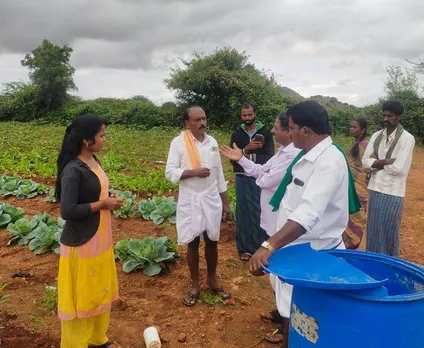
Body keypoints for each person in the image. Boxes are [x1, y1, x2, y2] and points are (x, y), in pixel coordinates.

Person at [249, 101, 360, 348]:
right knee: (292, 311)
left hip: (313, 255)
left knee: (304, 317)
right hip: (297, 251)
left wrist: (269, 245)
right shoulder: (309, 155)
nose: (289, 134)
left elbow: (308, 213)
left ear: (306, 130)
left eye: (291, 128)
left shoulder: (328, 162)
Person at [221, 111, 300, 343]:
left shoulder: (292, 155)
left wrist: (258, 172)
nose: (272, 131)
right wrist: (241, 158)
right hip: (271, 221)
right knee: (277, 276)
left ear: (289, 131)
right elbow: (260, 171)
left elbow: (266, 179)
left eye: (276, 128)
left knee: (284, 276)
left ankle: (289, 327)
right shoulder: (282, 153)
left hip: (280, 224)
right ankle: (282, 314)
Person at [56, 115, 124, 348]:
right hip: (82, 243)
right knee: (83, 297)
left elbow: (95, 192)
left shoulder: (93, 160)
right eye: (102, 135)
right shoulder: (73, 170)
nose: (105, 139)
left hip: (100, 238)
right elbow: (68, 210)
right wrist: (103, 204)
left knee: (98, 291)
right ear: (87, 140)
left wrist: (108, 198)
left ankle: (97, 339)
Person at [165, 106, 231, 307]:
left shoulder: (212, 142)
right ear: (187, 123)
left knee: (212, 240)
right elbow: (170, 172)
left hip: (211, 196)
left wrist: (225, 201)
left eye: (204, 118)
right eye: (197, 120)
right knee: (192, 241)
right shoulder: (178, 143)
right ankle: (195, 285)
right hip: (190, 197)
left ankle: (212, 279)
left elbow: (218, 173)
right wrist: (193, 172)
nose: (202, 123)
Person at [362, 101, 415, 257]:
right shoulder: (376, 136)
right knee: (373, 231)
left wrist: (376, 162)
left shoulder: (407, 139)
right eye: (384, 115)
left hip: (392, 191)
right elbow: (366, 162)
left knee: (388, 231)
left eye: (390, 116)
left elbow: (398, 169)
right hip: (374, 187)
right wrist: (386, 161)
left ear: (399, 117)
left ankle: (388, 264)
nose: (385, 119)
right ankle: (373, 262)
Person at [230, 103, 275, 261]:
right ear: (241, 116)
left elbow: (269, 157)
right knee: (243, 212)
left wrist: (244, 156)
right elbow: (232, 157)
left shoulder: (266, 133)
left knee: (260, 210)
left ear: (255, 114)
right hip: (242, 177)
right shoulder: (237, 135)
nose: (247, 118)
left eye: (250, 115)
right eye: (244, 115)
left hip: (260, 178)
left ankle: (262, 247)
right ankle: (245, 248)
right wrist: (246, 150)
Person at [343, 117, 369, 250]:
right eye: (351, 126)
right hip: (352, 186)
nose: (351, 129)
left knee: (357, 219)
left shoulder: (365, 145)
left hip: (359, 187)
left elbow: (365, 167)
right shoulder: (355, 144)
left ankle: (356, 247)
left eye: (355, 127)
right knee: (349, 217)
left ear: (363, 129)